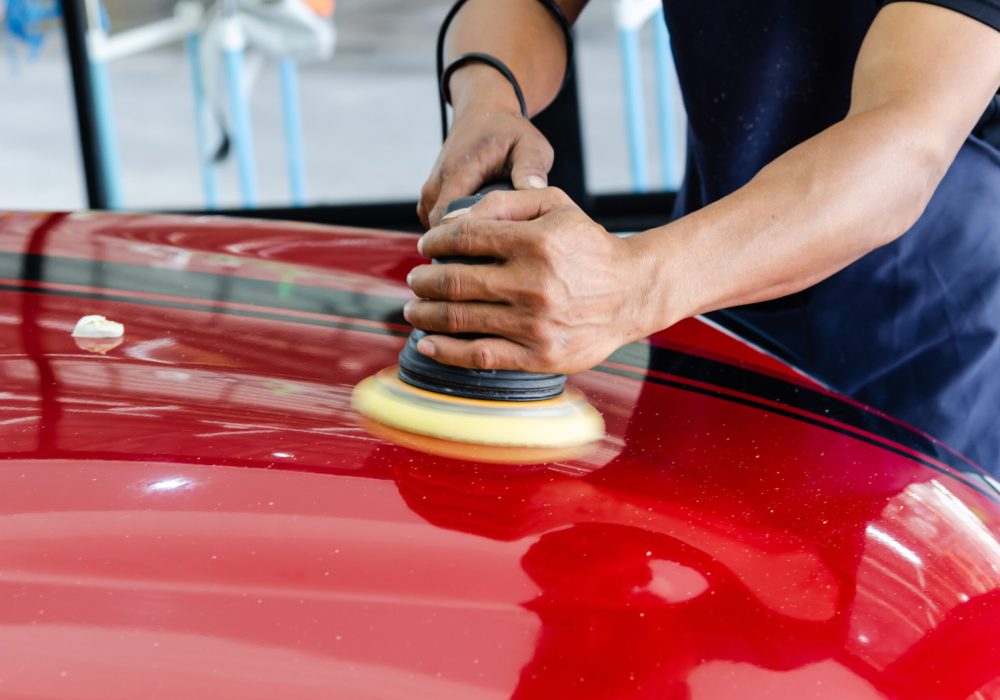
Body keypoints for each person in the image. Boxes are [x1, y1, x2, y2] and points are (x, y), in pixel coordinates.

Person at [403, 0, 1000, 473]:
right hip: (705, 292)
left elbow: (907, 141)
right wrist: (490, 99)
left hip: (922, 334)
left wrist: (633, 288)